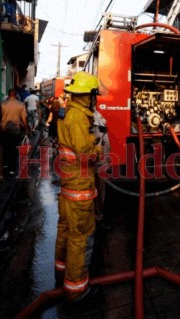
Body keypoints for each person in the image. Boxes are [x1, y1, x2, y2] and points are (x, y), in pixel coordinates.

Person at [54, 71, 102, 302]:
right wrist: (100, 150)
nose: (96, 99)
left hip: (68, 184)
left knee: (65, 228)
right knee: (80, 235)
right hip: (80, 185)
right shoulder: (79, 118)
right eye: (94, 94)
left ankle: (61, 270)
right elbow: (85, 155)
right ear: (88, 95)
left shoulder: (67, 112)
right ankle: (77, 289)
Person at [0, 88, 29, 176]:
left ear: (9, 95)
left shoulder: (2, 104)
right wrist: (26, 128)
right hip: (16, 130)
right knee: (14, 149)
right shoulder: (21, 104)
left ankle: (5, 165)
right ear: (16, 95)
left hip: (5, 129)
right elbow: (24, 118)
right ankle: (12, 169)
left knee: (6, 147)